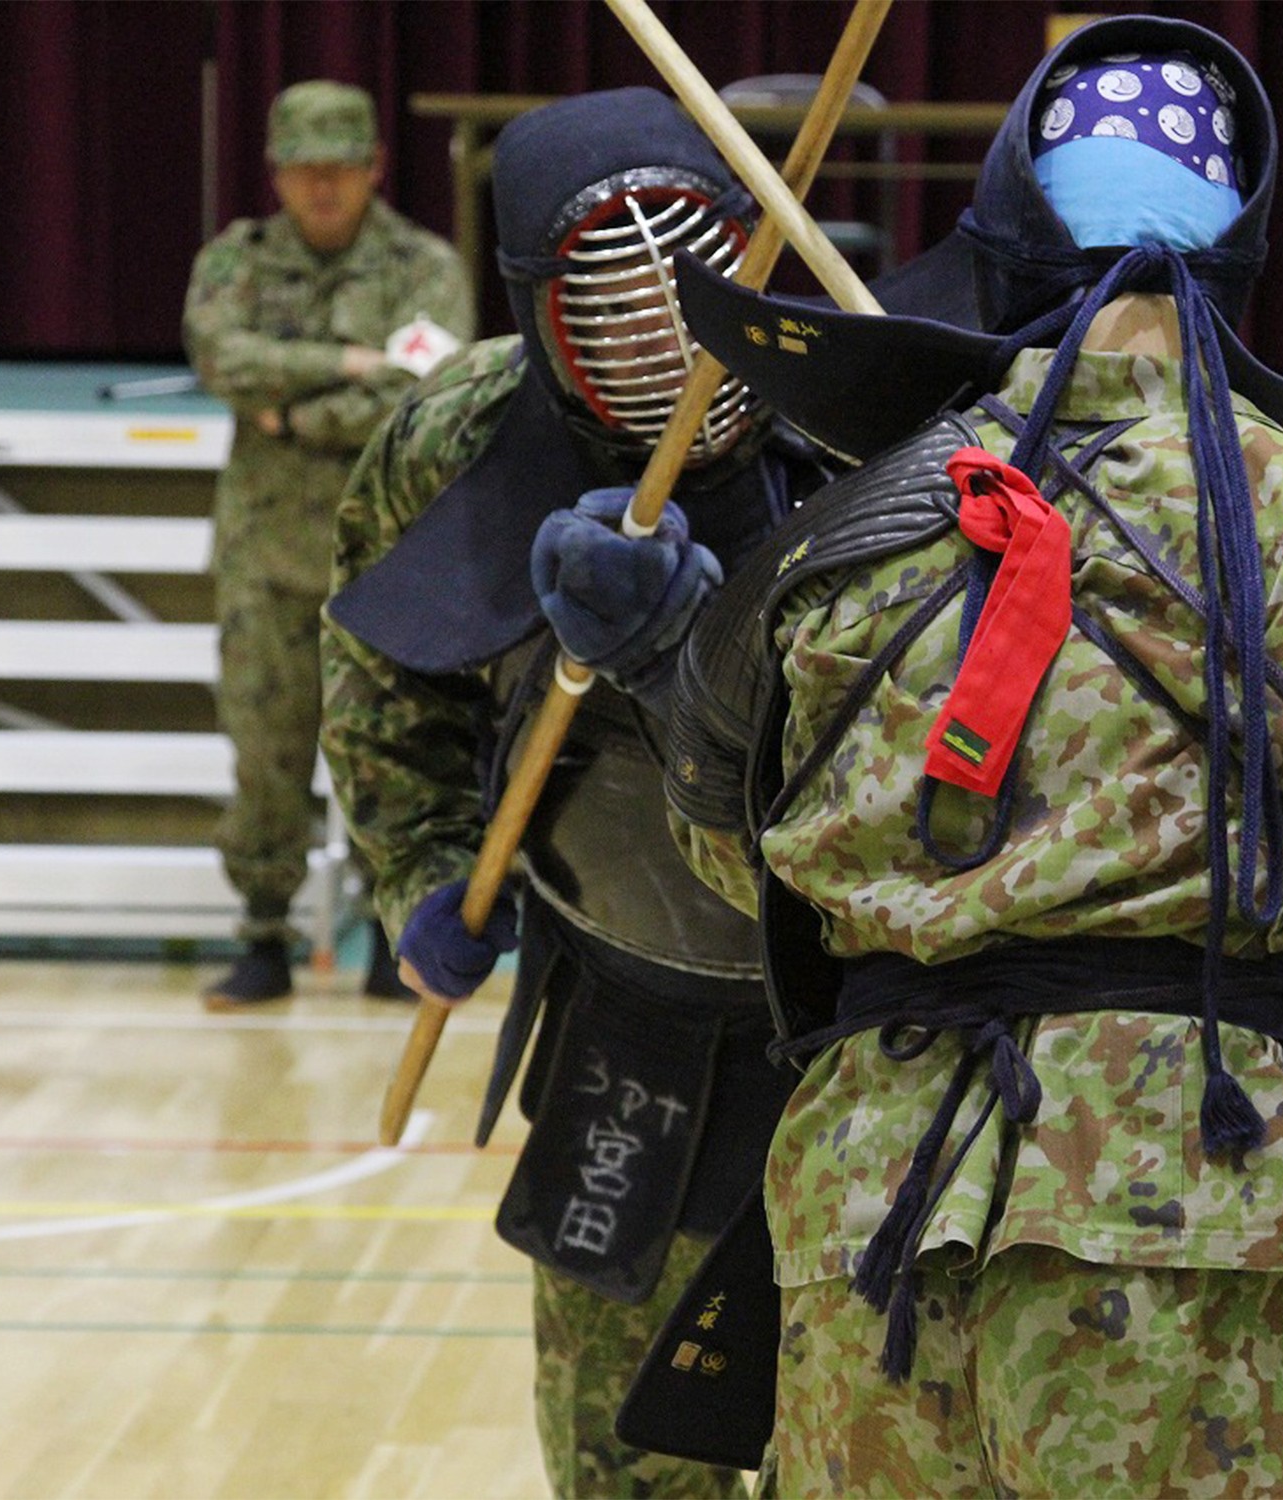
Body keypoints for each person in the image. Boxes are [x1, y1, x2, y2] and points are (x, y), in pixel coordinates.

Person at [561, 15, 1283, 1497]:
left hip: (866, 1235)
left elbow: (740, 859)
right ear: (1236, 273)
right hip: (1193, 1241)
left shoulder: (844, 541)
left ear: (1001, 257)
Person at [319, 90, 830, 1498]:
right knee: (625, 1453)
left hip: (848, 1030)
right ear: (545, 316)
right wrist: (424, 870)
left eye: (687, 284)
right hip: (621, 1003)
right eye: (609, 308)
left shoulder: (863, 415)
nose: (660, 336)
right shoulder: (457, 437)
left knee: (850, 1446)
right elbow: (379, 673)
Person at [185, 79, 472, 1007]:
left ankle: (392, 941)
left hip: (384, 561)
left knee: (390, 759)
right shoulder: (237, 260)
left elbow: (428, 388)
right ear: (275, 172)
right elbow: (219, 354)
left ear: (374, 167)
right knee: (264, 755)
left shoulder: (423, 267)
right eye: (304, 169)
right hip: (264, 560)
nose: (322, 188)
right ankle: (263, 936)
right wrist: (349, 362)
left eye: (339, 169)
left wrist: (293, 414)